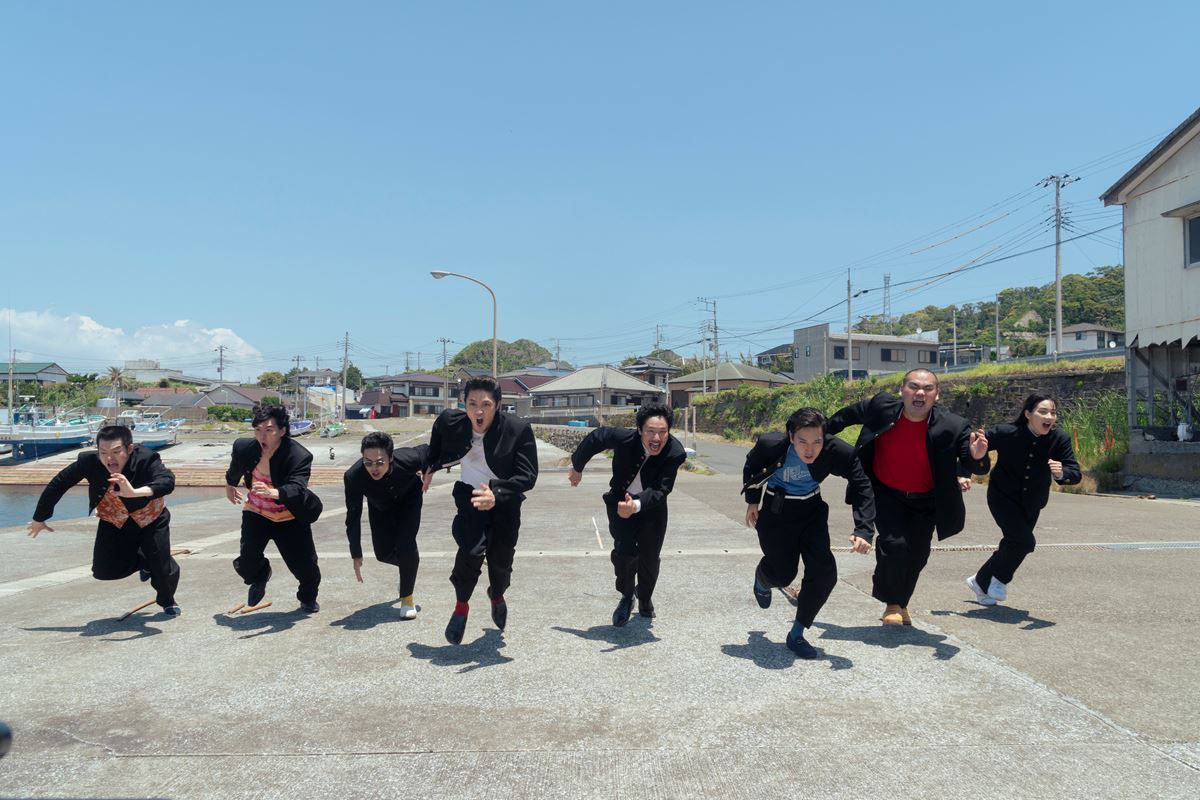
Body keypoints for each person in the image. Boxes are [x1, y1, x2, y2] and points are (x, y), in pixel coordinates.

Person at [826, 368, 989, 625]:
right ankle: (892, 603)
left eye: (928, 388)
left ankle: (902, 603)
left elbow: (972, 460)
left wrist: (977, 456)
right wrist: (817, 436)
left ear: (937, 395)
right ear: (902, 389)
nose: (920, 393)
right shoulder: (881, 407)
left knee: (918, 554)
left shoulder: (953, 425)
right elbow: (846, 416)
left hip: (927, 500)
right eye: (913, 387)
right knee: (894, 544)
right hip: (886, 492)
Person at [742, 408, 875, 658]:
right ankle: (763, 577)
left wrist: (864, 529)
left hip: (812, 512)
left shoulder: (835, 450)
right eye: (802, 441)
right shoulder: (771, 444)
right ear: (791, 436)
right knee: (783, 574)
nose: (810, 450)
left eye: (817, 442)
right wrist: (752, 500)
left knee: (825, 573)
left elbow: (861, 482)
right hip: (776, 512)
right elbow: (752, 464)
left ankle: (797, 633)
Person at [423, 377, 538, 644]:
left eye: (485, 405)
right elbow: (439, 429)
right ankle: (461, 607)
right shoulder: (452, 421)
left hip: (505, 501)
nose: (478, 411)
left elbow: (528, 476)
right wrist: (431, 464)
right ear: (463, 404)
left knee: (501, 560)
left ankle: (497, 595)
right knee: (470, 551)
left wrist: (496, 493)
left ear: (497, 405)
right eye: (472, 404)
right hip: (470, 496)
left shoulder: (517, 429)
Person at [28, 425, 181, 615]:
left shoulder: (146, 458)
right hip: (113, 519)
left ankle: (167, 600)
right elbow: (59, 483)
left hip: (150, 518)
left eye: (116, 452)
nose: (110, 458)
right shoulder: (88, 462)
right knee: (104, 571)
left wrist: (135, 492)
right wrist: (39, 518)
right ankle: (146, 561)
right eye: (103, 452)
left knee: (162, 569)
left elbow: (167, 481)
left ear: (129, 448)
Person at [568, 404, 687, 626]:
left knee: (650, 557)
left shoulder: (675, 452)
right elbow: (596, 438)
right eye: (651, 431)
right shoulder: (623, 438)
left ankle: (645, 598)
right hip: (619, 503)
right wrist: (577, 467)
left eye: (663, 432)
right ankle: (626, 596)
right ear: (640, 430)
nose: (657, 438)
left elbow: (661, 489)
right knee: (624, 554)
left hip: (651, 508)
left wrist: (637, 505)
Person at [963, 394, 1080, 605]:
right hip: (1002, 497)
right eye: (1043, 412)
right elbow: (971, 448)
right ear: (1028, 414)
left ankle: (980, 581)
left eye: (1053, 413)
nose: (1049, 417)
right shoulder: (1006, 432)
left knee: (1014, 543)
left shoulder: (1059, 438)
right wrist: (964, 472)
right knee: (1025, 541)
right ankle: (1000, 579)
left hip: (1033, 501)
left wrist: (1062, 473)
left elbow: (1074, 470)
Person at [225, 404, 323, 613]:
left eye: (269, 430)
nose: (262, 436)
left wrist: (274, 492)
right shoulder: (244, 448)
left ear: (282, 431)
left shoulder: (298, 455)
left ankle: (307, 598)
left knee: (306, 568)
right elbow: (235, 467)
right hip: (256, 512)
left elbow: (298, 487)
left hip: (289, 516)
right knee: (247, 560)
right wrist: (230, 484)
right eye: (258, 430)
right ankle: (261, 575)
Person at [344, 431, 429, 619]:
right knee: (382, 554)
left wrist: (428, 471)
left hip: (409, 499)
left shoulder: (409, 458)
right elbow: (353, 516)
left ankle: (407, 598)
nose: (374, 468)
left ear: (390, 458)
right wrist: (356, 553)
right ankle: (409, 566)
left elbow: (430, 451)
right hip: (380, 507)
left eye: (380, 462)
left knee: (406, 544)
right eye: (368, 462)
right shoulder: (353, 476)